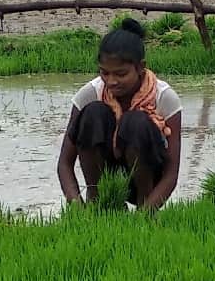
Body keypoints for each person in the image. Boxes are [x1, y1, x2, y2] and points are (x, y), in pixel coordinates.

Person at [57, 18, 183, 211]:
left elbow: (171, 174)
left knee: (136, 122)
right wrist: (77, 209)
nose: (111, 81)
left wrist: (145, 216)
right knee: (93, 113)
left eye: (121, 74)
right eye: (104, 73)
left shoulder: (164, 97)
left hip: (147, 179)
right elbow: (65, 164)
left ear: (141, 67)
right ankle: (98, 203)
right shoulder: (90, 94)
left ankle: (144, 204)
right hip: (106, 174)